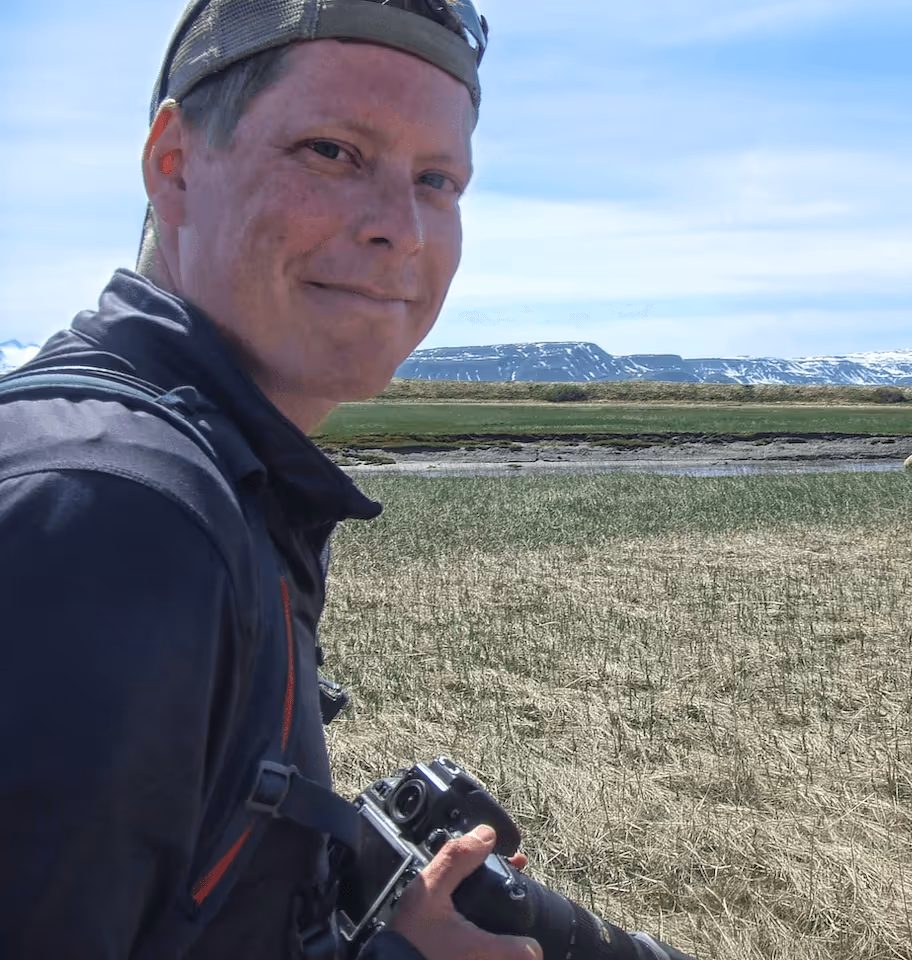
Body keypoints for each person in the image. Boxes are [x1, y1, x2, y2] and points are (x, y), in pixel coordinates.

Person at [0, 1, 542, 957]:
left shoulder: (194, 468)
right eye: (332, 151)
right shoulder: (116, 516)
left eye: (436, 178)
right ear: (175, 166)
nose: (400, 230)